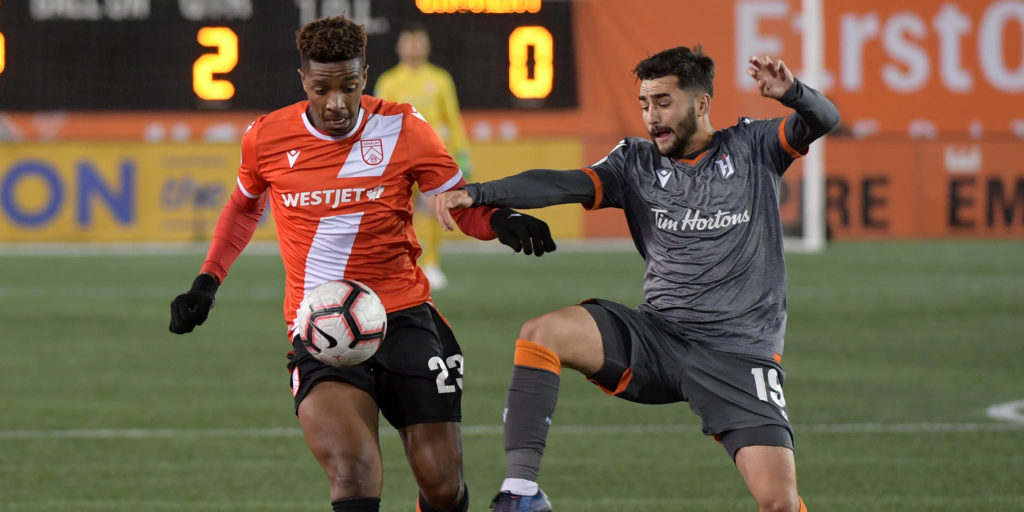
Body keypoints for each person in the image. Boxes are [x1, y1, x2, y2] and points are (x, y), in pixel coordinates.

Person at [168, 14, 555, 512]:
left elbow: (458, 202)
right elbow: (244, 207)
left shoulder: (404, 127)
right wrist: (207, 281)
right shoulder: (266, 137)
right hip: (323, 328)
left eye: (348, 87)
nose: (336, 103)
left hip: (407, 318)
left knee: (443, 488)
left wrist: (500, 219)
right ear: (303, 79)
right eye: (322, 88)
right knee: (352, 475)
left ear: (364, 75)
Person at [436, 46, 840, 512]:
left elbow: (824, 118)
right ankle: (521, 495)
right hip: (657, 337)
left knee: (780, 503)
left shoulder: (754, 146)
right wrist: (480, 192)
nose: (651, 116)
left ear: (702, 103)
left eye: (663, 102)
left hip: (737, 353)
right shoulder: (636, 162)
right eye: (645, 103)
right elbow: (564, 183)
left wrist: (791, 93)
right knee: (541, 334)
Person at [374, 21, 473, 290]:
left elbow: (452, 119)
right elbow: (380, 122)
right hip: (398, 158)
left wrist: (463, 154)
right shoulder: (389, 81)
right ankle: (400, 262)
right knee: (396, 212)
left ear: (427, 46)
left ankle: (431, 262)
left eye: (419, 41)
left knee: (433, 210)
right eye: (409, 41)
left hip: (432, 157)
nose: (414, 46)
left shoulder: (440, 79)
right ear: (399, 46)